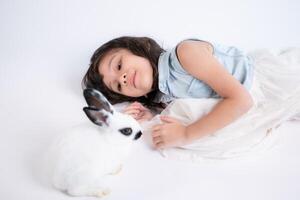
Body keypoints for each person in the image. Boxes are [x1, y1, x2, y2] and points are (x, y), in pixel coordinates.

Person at [82, 36, 300, 150]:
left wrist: (186, 134)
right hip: (268, 102)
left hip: (273, 79)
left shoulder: (185, 54)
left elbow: (241, 100)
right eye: (118, 86)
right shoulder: (164, 97)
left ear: (137, 48)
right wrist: (150, 116)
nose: (122, 78)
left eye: (119, 65)